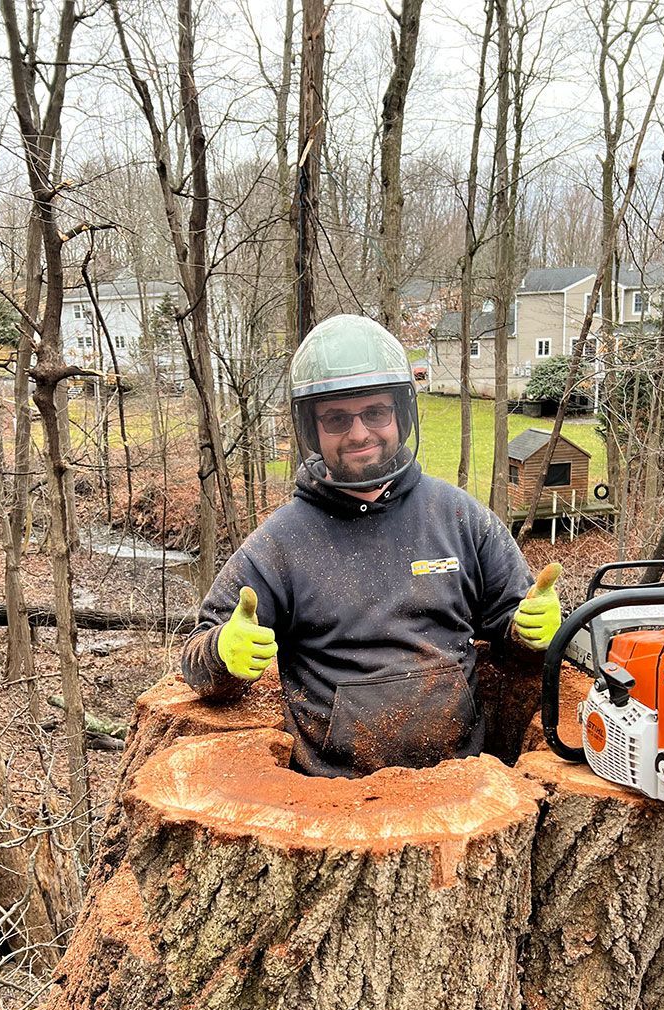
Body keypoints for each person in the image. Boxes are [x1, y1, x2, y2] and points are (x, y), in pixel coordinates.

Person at [181, 313, 561, 778]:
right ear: (311, 429)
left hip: (460, 781)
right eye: (337, 419)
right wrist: (223, 653)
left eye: (375, 413)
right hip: (333, 793)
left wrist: (529, 632)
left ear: (400, 414)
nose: (359, 433)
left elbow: (515, 634)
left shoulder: (461, 518)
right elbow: (197, 654)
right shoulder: (280, 544)